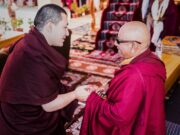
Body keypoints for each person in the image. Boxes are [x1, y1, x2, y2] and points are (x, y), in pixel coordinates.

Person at [0, 4, 91, 135]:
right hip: (22, 120)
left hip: (22, 105)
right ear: (49, 26)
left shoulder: (29, 41)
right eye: (64, 27)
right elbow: (48, 106)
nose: (67, 32)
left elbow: (46, 82)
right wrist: (75, 94)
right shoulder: (32, 55)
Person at [80, 21, 166, 135]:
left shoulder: (134, 74)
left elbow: (118, 117)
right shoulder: (154, 60)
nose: (115, 43)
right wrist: (110, 86)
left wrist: (91, 98)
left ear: (133, 45)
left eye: (119, 41)